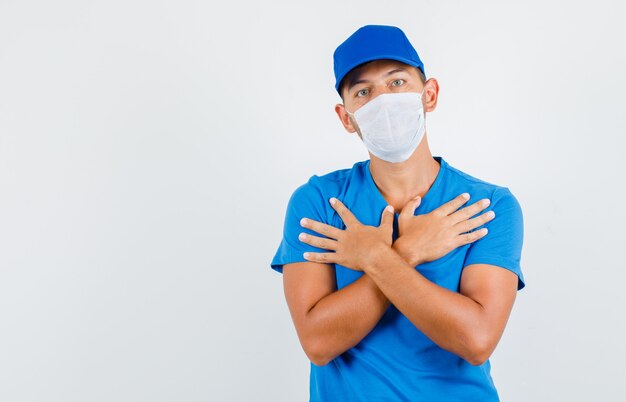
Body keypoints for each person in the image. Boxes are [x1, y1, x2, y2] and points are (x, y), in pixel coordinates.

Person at [270, 24, 525, 401]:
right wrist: (406, 251)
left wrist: (373, 255)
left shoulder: (486, 205)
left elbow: (475, 339)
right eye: (363, 91)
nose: (383, 101)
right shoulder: (319, 203)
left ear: (429, 94)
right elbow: (318, 342)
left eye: (397, 82)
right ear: (346, 118)